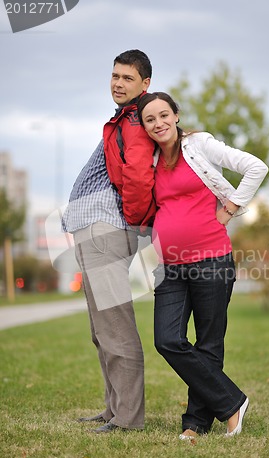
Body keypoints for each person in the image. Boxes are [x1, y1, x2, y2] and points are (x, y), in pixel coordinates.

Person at [137, 92, 269, 443]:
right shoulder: (149, 160)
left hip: (211, 258)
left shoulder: (200, 145)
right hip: (169, 264)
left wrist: (231, 208)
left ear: (176, 116)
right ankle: (232, 403)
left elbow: (257, 167)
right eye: (150, 119)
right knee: (167, 339)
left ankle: (195, 424)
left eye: (164, 115)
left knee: (208, 343)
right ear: (145, 127)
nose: (158, 123)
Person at [62, 50, 156, 433]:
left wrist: (129, 223)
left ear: (144, 84)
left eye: (127, 78)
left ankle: (128, 419)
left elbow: (137, 179)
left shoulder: (136, 120)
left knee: (115, 327)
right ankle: (114, 409)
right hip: (95, 228)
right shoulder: (123, 119)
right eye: (114, 75)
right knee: (101, 330)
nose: (117, 83)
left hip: (107, 229)